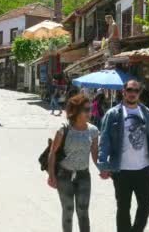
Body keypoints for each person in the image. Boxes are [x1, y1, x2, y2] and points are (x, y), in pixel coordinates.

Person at [97, 79, 149, 232]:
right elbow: (104, 140)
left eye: (136, 91)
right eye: (130, 90)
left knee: (146, 205)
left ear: (139, 93)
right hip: (121, 170)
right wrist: (103, 165)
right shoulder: (113, 114)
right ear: (123, 92)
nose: (132, 93)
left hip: (144, 168)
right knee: (123, 207)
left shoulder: (146, 112)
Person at [47, 94, 99, 232]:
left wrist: (105, 169)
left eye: (91, 109)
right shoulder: (64, 129)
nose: (90, 112)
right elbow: (52, 152)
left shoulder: (93, 131)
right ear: (76, 111)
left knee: (83, 212)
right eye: (86, 109)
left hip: (83, 176)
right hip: (64, 175)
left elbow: (95, 155)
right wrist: (51, 175)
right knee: (68, 210)